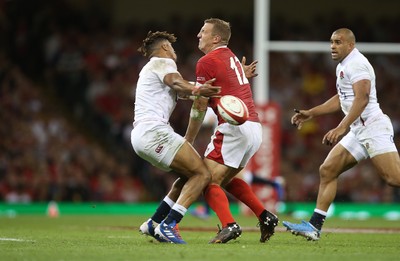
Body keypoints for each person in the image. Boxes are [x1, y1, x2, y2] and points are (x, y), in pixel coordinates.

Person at [282, 28, 400, 241]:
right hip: (358, 129)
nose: (332, 46)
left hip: (373, 127)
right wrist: (311, 113)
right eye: (331, 42)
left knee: (394, 178)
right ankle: (314, 226)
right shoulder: (343, 66)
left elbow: (362, 99)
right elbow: (341, 98)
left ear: (350, 45)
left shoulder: (358, 64)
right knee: (327, 170)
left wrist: (341, 127)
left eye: (338, 42)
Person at [186, 18, 279, 244]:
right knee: (226, 180)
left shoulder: (205, 62)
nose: (199, 35)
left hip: (234, 128)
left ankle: (229, 225)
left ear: (216, 38)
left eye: (203, 31)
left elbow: (201, 102)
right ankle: (265, 216)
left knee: (205, 179)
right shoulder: (232, 57)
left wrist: (189, 138)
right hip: (254, 128)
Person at [132, 31, 220, 244]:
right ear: (164, 48)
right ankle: (168, 224)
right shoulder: (163, 63)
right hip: (155, 133)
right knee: (203, 175)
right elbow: (177, 83)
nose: (174, 51)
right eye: (171, 47)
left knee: (188, 176)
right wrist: (198, 88)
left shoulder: (151, 70)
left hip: (144, 135)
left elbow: (189, 91)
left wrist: (237, 78)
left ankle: (154, 223)